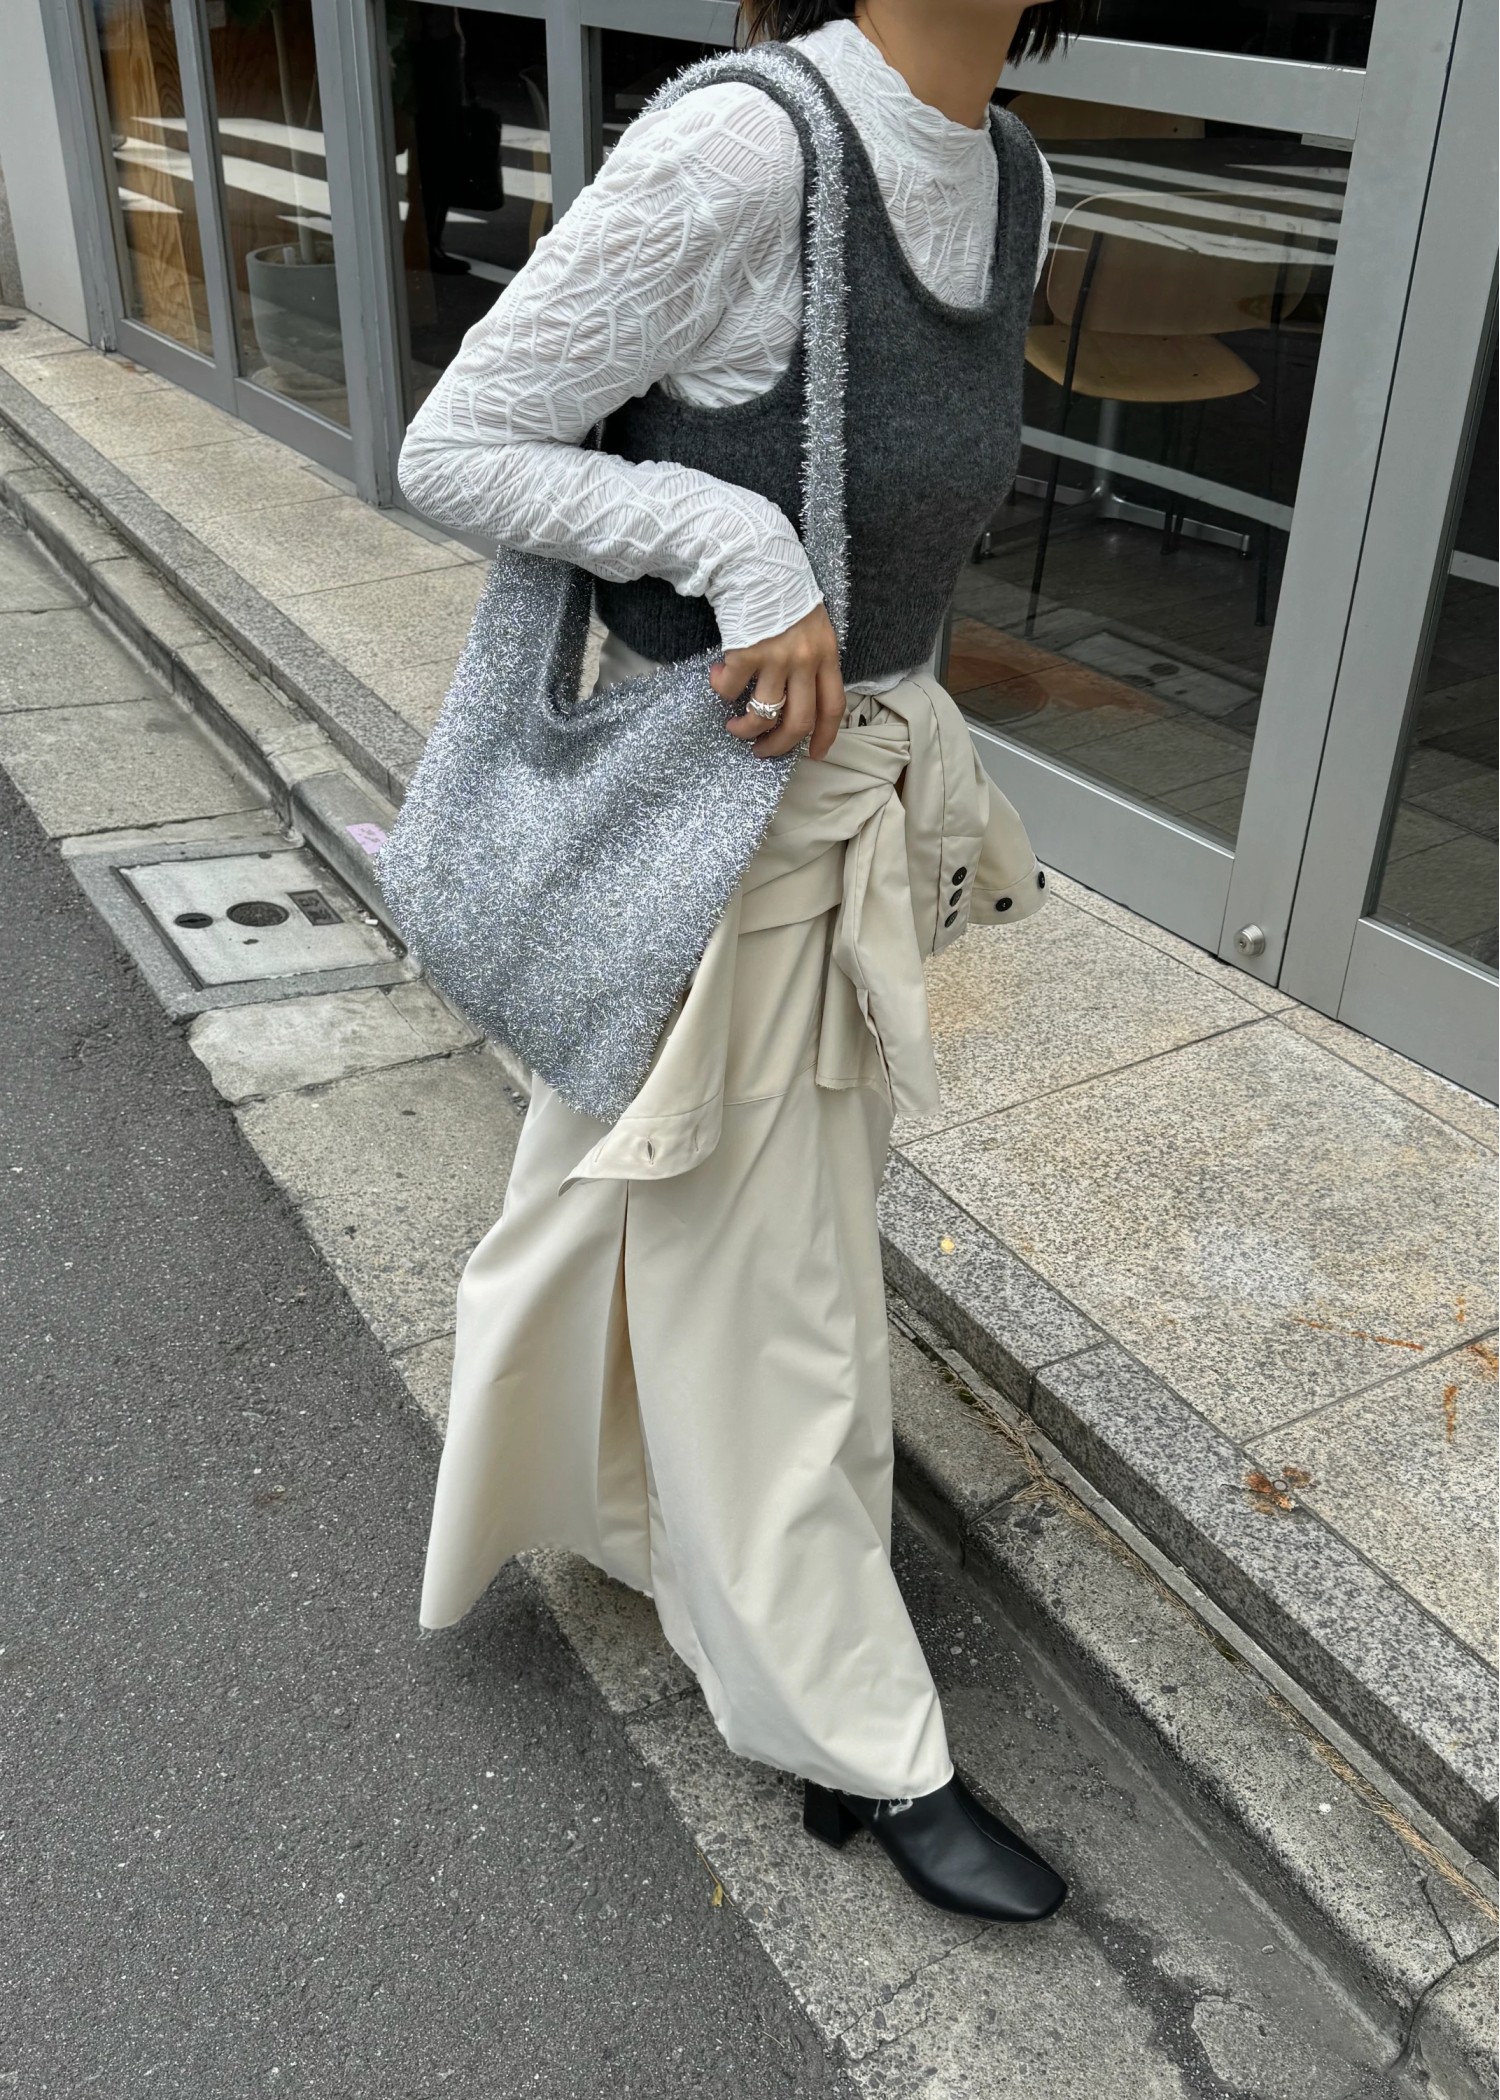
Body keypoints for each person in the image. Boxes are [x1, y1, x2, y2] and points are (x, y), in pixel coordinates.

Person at [397, 0, 1086, 1925]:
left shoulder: (1011, 173)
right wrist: (741, 548)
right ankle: (856, 1739)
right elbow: (458, 439)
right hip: (720, 829)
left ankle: (598, 1503)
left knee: (629, 1203)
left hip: (847, 805)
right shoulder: (750, 146)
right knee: (776, 1297)